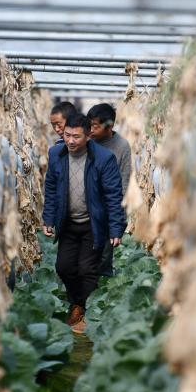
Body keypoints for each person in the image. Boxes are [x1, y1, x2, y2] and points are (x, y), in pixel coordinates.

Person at [43, 113, 126, 334]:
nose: (70, 141)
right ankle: (78, 302)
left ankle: (82, 310)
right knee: (63, 267)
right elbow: (51, 187)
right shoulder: (56, 154)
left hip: (94, 223)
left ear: (88, 136)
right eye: (67, 135)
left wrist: (116, 228)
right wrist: (48, 218)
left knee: (87, 269)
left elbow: (113, 195)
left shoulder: (104, 159)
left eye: (76, 136)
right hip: (68, 221)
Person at [87, 103, 133, 277]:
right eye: (89, 125)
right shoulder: (86, 142)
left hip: (108, 210)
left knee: (103, 258)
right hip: (85, 209)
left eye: (95, 126)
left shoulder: (121, 146)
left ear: (109, 126)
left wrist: (118, 220)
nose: (90, 130)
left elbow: (124, 182)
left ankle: (102, 288)